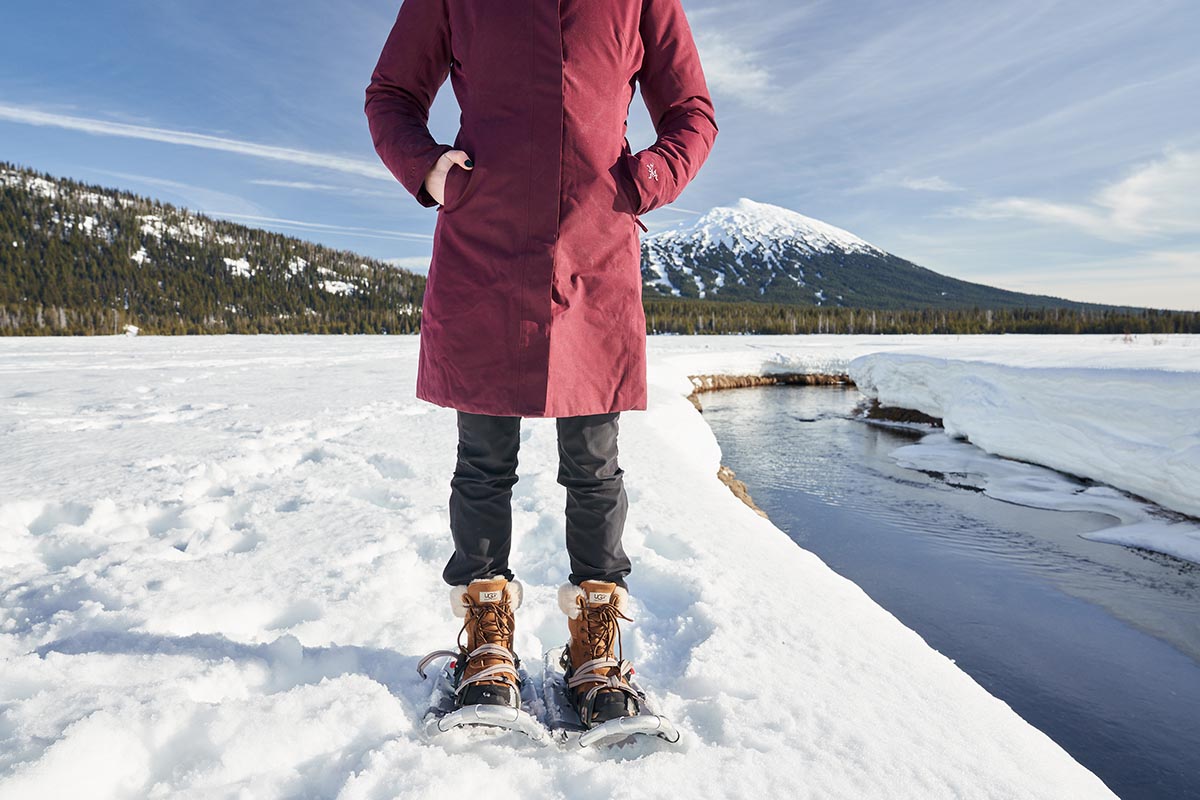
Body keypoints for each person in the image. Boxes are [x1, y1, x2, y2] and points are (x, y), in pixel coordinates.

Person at [365, 0, 717, 728]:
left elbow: (691, 110)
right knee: (483, 460)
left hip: (594, 248)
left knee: (594, 463)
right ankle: (487, 640)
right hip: (485, 243)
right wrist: (430, 171)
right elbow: (392, 95)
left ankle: (595, 645)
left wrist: (644, 178)